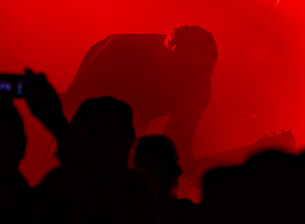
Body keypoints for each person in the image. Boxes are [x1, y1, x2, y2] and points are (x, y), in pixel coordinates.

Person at [61, 25, 217, 174]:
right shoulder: (118, 53)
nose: (187, 87)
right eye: (184, 77)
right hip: (98, 93)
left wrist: (189, 168)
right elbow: (78, 108)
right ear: (168, 56)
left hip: (135, 113)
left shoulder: (199, 87)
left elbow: (179, 139)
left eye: (195, 80)